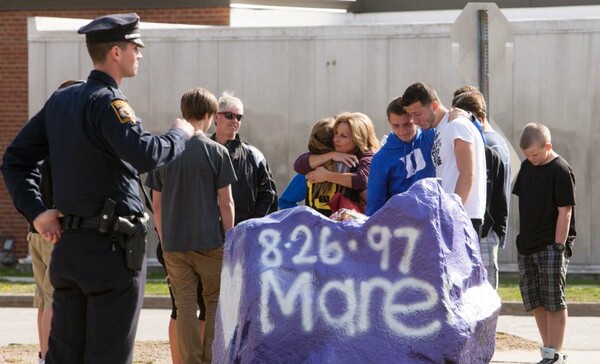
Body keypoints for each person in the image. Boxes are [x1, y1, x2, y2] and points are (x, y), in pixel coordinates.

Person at [1, 13, 195, 364]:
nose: (140, 53)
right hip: (111, 254)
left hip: (71, 251)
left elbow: (15, 159)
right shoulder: (108, 102)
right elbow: (146, 153)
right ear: (116, 52)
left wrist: (38, 213)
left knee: (66, 356)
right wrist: (181, 133)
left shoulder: (61, 101)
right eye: (136, 47)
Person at [147, 87, 236, 364]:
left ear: (184, 112)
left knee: (184, 305)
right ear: (210, 115)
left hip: (174, 242)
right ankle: (211, 359)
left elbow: (156, 205)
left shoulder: (164, 149)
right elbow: (226, 203)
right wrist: (230, 238)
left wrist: (164, 239)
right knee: (213, 304)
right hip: (210, 240)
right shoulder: (216, 151)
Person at [513, 123, 575, 364]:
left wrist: (559, 247)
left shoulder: (561, 170)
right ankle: (548, 351)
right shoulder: (527, 166)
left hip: (551, 244)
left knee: (553, 299)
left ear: (548, 146)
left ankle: (555, 353)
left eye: (535, 154)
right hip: (527, 243)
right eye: (527, 155)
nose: (531, 159)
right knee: (535, 299)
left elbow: (565, 212)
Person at [401, 82, 486, 236]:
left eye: (417, 114)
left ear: (434, 105)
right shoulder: (444, 128)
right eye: (411, 115)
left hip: (462, 216)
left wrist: (452, 213)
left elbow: (467, 174)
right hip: (451, 215)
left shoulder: (456, 125)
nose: (414, 121)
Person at [452, 89, 509, 289]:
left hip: (485, 231)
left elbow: (500, 194)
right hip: (465, 229)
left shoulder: (491, 151)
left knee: (485, 290)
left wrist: (497, 230)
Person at [211, 91, 278, 225]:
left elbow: (269, 197)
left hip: (243, 236)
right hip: (207, 237)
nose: (235, 121)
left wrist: (251, 227)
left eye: (239, 117)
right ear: (216, 118)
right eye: (230, 115)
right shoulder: (202, 150)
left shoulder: (254, 155)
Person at [294, 112, 381, 215]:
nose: (336, 139)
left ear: (359, 138)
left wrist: (327, 175)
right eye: (335, 133)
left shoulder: (369, 155)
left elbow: (361, 180)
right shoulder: (336, 153)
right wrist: (331, 155)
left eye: (343, 136)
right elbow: (299, 164)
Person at [366, 96, 436, 216]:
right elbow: (375, 204)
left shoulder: (432, 135)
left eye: (407, 124)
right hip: (403, 223)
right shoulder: (381, 159)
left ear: (415, 118)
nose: (403, 131)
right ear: (389, 122)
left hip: (435, 214)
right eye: (396, 126)